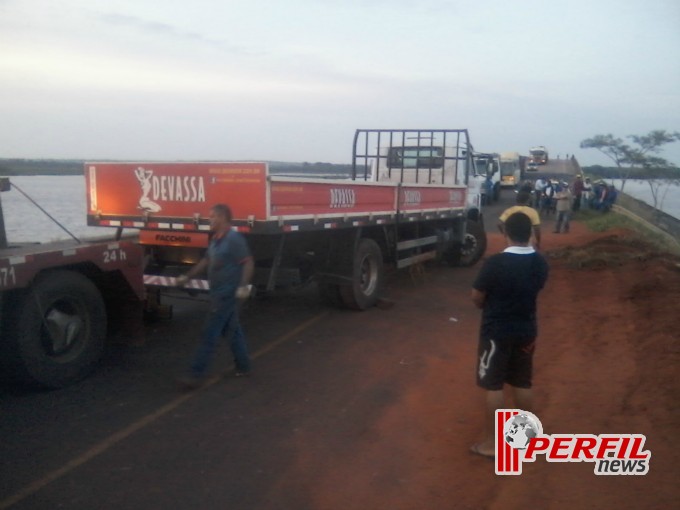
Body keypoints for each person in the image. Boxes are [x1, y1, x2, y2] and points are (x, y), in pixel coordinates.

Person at [469, 212, 549, 458]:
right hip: (526, 329)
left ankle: (493, 444)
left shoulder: (494, 264)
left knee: (494, 385)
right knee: (522, 382)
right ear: (530, 234)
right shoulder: (540, 263)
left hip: (496, 332)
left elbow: (477, 297)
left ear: (505, 233)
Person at [176, 204, 255, 389]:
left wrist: (243, 286)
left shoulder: (234, 239)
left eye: (212, 217)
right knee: (232, 331)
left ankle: (194, 374)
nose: (209, 220)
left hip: (226, 295)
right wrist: (187, 276)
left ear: (222, 218)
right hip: (218, 292)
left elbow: (248, 262)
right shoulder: (216, 240)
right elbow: (206, 260)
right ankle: (244, 367)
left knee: (209, 334)